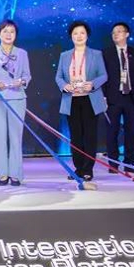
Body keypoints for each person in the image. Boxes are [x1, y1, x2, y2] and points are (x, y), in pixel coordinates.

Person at [0, 20, 32, 186]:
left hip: (17, 98)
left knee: (16, 137)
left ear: (16, 35)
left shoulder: (22, 53)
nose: (9, 35)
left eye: (12, 32)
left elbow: (27, 75)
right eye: (5, 31)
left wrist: (21, 81)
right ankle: (2, 173)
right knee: (0, 137)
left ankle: (15, 174)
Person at [55, 21, 108, 181]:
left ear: (87, 35)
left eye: (82, 33)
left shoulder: (96, 54)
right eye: (75, 33)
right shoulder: (64, 55)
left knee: (90, 135)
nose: (79, 36)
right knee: (76, 136)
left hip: (90, 99)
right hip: (71, 100)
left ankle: (88, 169)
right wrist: (64, 86)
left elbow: (104, 75)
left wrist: (92, 84)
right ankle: (78, 168)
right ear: (71, 36)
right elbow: (58, 77)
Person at [102, 22, 134, 173]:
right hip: (113, 98)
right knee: (112, 132)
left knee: (131, 131)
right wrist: (103, 96)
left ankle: (129, 163)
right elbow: (102, 76)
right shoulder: (106, 53)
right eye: (113, 32)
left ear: (127, 34)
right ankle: (113, 164)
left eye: (119, 31)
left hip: (131, 97)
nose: (116, 34)